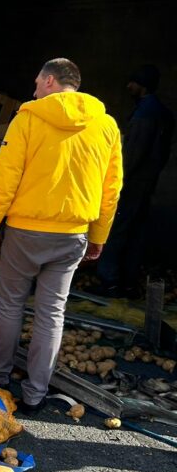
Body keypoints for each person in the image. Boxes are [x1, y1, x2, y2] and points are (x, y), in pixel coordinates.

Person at [0, 58, 123, 413]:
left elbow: (3, 180)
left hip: (26, 230)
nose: (35, 89)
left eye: (38, 82)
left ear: (51, 81)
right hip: (73, 235)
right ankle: (36, 393)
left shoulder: (28, 119)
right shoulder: (106, 126)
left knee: (10, 303)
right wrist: (99, 234)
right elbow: (111, 188)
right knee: (52, 312)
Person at [92, 65, 174, 298]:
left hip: (131, 184)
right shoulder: (163, 114)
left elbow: (132, 153)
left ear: (142, 85)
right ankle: (128, 282)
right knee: (136, 232)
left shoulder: (145, 114)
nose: (128, 86)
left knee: (115, 230)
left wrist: (117, 181)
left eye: (132, 82)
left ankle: (108, 281)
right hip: (147, 184)